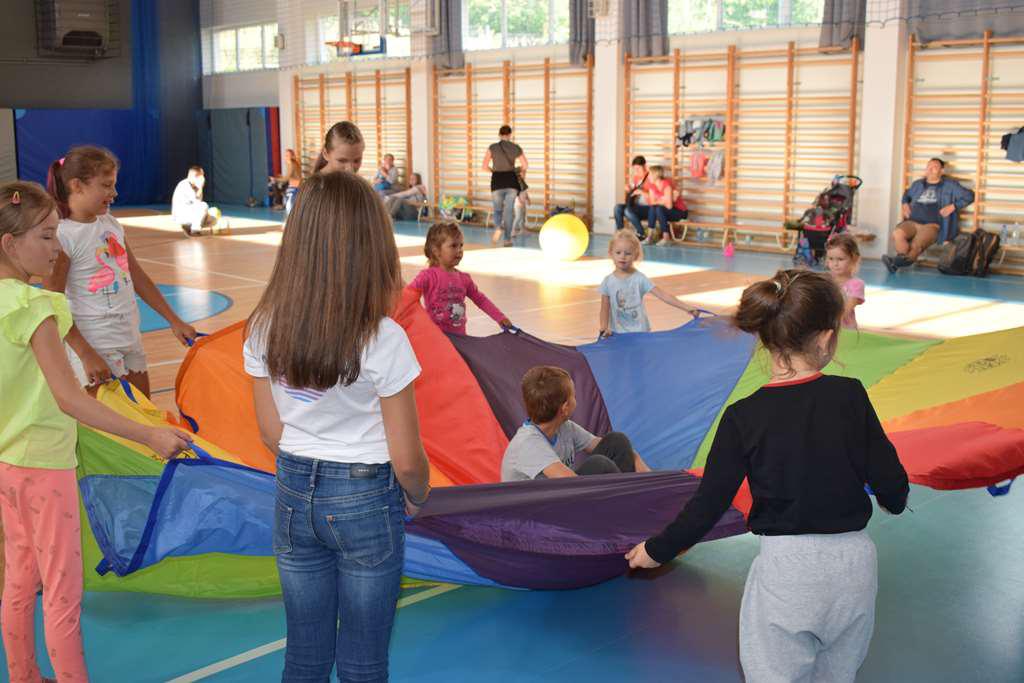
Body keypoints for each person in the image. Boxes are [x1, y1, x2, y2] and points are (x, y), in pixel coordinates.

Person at [625, 269, 909, 683]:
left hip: (787, 571)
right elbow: (891, 481)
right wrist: (893, 500)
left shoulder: (743, 417)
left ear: (765, 338)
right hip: (854, 568)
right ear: (827, 337)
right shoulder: (850, 394)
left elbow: (709, 503)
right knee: (837, 673)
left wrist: (658, 549)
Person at [0, 181, 191, 683]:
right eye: (45, 237)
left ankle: (22, 675)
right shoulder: (35, 308)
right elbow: (70, 399)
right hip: (45, 467)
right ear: (9, 244)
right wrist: (148, 434)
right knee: (62, 591)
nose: (56, 248)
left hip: (9, 465)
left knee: (19, 577)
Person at [244, 171, 431, 681]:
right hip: (366, 499)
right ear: (373, 250)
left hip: (291, 490)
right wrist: (418, 493)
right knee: (363, 658)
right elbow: (407, 459)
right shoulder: (384, 338)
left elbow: (270, 432)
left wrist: (308, 470)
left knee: (304, 653)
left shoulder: (263, 326)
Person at [45, 146, 197, 396]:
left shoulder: (110, 224)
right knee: (108, 417)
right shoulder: (64, 235)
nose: (114, 193)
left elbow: (137, 275)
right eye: (106, 185)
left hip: (129, 336)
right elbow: (53, 300)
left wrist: (174, 320)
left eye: (114, 185)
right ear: (77, 186)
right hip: (95, 343)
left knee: (143, 411)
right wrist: (85, 353)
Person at [501, 365, 651, 481]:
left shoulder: (564, 427)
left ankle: (634, 494)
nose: (576, 400)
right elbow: (572, 484)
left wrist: (639, 465)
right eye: (574, 396)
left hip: (560, 494)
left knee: (617, 441)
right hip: (536, 509)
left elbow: (614, 448)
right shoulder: (528, 443)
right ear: (565, 407)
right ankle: (629, 502)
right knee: (599, 465)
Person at [408, 222, 512, 335]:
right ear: (436, 250)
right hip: (436, 337)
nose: (459, 250)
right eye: (453, 246)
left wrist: (500, 317)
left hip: (460, 337)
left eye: (461, 245)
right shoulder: (428, 276)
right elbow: (408, 297)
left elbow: (481, 300)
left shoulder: (464, 279)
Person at [882, 158, 975, 272]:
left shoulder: (950, 185)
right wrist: (904, 203)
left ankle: (895, 263)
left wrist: (953, 206)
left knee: (916, 245)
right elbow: (906, 194)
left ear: (942, 171)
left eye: (934, 167)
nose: (930, 169)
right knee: (897, 233)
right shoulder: (918, 184)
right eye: (928, 166)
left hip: (932, 225)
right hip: (912, 222)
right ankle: (899, 261)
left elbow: (969, 196)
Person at [599, 230, 695, 336]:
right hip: (618, 334)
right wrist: (603, 329)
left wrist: (688, 308)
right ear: (611, 253)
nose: (622, 256)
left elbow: (663, 295)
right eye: (618, 252)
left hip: (640, 332)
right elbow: (604, 308)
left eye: (628, 253)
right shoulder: (608, 282)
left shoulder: (640, 279)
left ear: (635, 256)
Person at [482, 125, 528, 247]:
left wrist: (493, 170)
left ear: (499, 135)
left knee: (497, 209)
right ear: (510, 135)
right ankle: (507, 240)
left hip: (497, 181)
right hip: (511, 181)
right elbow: (525, 165)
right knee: (509, 211)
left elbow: (484, 166)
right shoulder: (515, 148)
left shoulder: (492, 147)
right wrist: (517, 170)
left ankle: (498, 226)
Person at [826, 233, 865, 329]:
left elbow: (847, 309)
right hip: (826, 326)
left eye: (840, 259)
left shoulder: (856, 284)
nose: (835, 264)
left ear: (854, 259)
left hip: (845, 328)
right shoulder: (826, 279)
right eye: (831, 259)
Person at [644, 165, 688, 246]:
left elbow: (669, 206)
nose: (648, 177)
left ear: (655, 175)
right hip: (665, 211)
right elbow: (652, 202)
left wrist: (659, 201)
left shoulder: (666, 185)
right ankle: (649, 237)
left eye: (649, 175)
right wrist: (664, 200)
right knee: (654, 208)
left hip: (680, 212)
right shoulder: (652, 185)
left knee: (658, 209)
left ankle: (666, 238)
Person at [614, 155, 651, 238]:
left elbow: (656, 196)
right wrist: (629, 188)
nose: (636, 171)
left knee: (627, 211)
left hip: (648, 207)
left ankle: (641, 233)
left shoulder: (651, 177)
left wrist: (642, 192)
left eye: (638, 168)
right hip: (636, 206)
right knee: (617, 208)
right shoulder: (636, 178)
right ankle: (621, 234)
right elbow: (633, 191)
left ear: (645, 166)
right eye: (635, 169)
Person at [171, 166, 213, 235]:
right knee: (203, 205)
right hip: (181, 217)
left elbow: (198, 204)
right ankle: (195, 230)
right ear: (194, 176)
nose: (203, 179)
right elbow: (197, 203)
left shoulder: (195, 186)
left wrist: (199, 188)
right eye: (201, 176)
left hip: (189, 213)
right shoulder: (184, 185)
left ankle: (189, 228)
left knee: (213, 216)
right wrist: (200, 187)